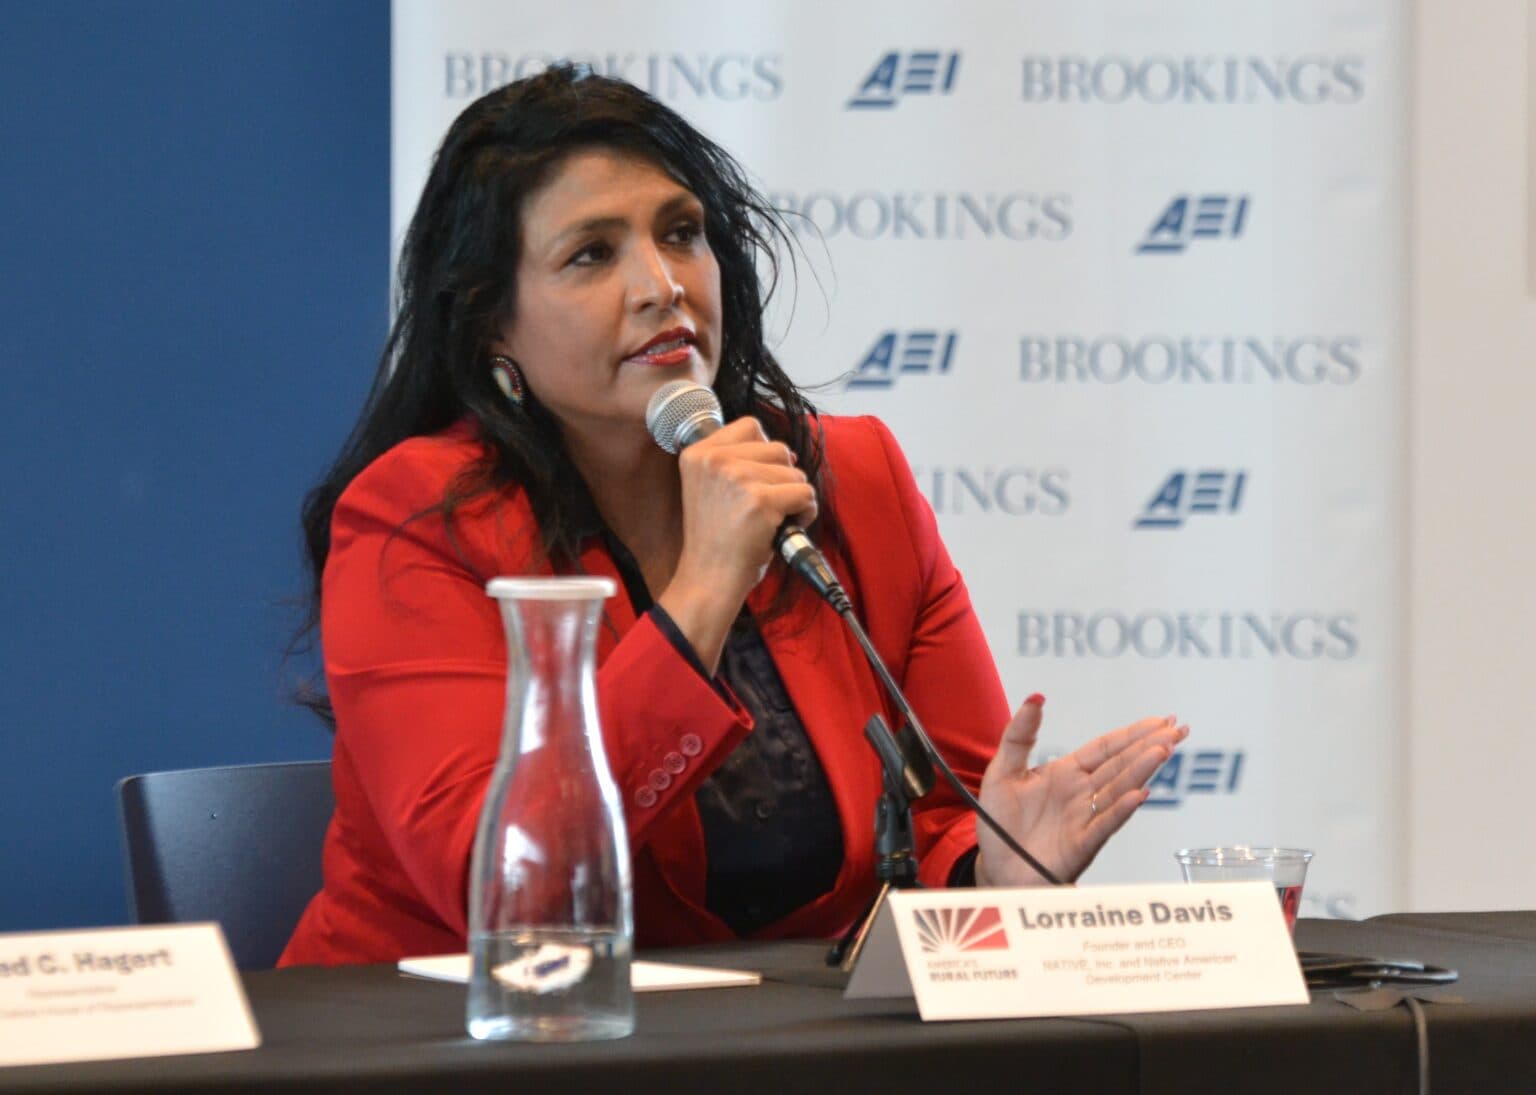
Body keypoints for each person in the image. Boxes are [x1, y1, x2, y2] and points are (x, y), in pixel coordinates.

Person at [279, 66, 1187, 966]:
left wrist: (992, 879)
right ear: (492, 329)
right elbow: (509, 886)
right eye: (591, 254)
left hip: (763, 1048)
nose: (661, 284)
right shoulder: (418, 519)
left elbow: (950, 815)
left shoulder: (851, 480)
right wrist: (706, 585)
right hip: (462, 1044)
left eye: (681, 234)